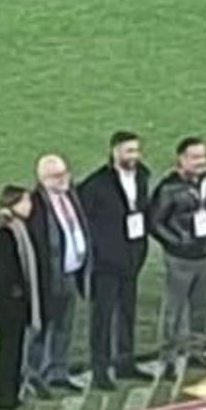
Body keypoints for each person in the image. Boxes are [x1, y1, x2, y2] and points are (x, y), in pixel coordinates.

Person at [79, 130, 153, 390]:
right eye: (129, 151)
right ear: (114, 152)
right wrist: (97, 251)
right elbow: (83, 221)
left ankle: (125, 362)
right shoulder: (96, 184)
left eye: (136, 150)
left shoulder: (143, 176)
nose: (134, 156)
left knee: (127, 313)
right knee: (102, 317)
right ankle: (100, 369)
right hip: (106, 263)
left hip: (132, 259)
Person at [148, 136, 206, 380]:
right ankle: (168, 358)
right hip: (180, 259)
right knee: (174, 310)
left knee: (201, 308)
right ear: (181, 159)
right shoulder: (168, 188)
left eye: (203, 157)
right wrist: (177, 242)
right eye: (194, 157)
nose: (200, 162)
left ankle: (196, 351)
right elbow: (155, 222)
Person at [25, 155, 89, 395]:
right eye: (56, 176)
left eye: (65, 173)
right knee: (40, 331)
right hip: (46, 279)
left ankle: (57, 373)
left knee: (64, 326)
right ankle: (33, 377)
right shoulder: (35, 205)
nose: (63, 179)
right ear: (42, 180)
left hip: (70, 273)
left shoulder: (70, 196)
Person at [0, 185, 43, 410]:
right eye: (25, 202)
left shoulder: (16, 228)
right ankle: (5, 396)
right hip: (9, 304)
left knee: (12, 348)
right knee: (9, 350)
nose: (30, 206)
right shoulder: (6, 232)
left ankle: (10, 392)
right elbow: (1, 270)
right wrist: (16, 292)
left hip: (13, 302)